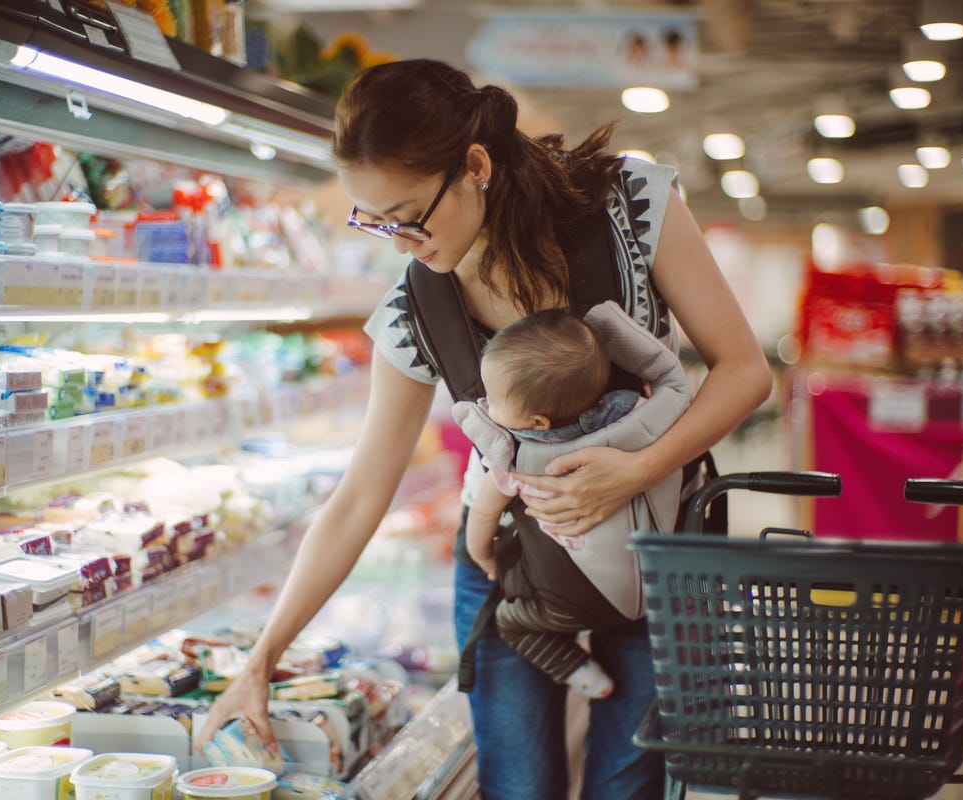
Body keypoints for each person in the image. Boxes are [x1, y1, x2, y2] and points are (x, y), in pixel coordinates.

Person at [195, 58, 772, 800]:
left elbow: (743, 370)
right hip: (513, 569)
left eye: (408, 215)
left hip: (656, 551)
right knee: (518, 787)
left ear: (474, 167)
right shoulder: (415, 311)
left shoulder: (630, 201)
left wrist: (638, 468)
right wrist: (260, 661)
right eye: (374, 221)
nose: (399, 242)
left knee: (627, 787)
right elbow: (361, 495)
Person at [458, 303, 691, 701]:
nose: (486, 405)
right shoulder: (640, 416)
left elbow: (483, 512)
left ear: (538, 423)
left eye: (494, 401)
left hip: (567, 603)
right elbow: (672, 380)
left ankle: (577, 670)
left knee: (510, 621)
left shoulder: (514, 457)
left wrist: (481, 555)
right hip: (654, 587)